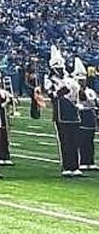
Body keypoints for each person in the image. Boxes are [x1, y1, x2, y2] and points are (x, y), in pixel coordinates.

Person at [44, 47, 82, 177]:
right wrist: (60, 91)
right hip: (60, 113)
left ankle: (75, 166)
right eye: (57, 67)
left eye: (61, 67)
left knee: (75, 140)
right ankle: (67, 166)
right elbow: (51, 94)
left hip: (73, 112)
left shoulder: (69, 78)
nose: (60, 69)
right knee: (65, 141)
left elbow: (77, 91)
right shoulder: (50, 79)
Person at [72, 57, 97, 171]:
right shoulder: (74, 91)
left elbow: (91, 102)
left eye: (83, 80)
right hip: (80, 116)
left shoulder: (90, 91)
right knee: (81, 140)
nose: (82, 82)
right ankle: (82, 161)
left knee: (90, 140)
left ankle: (90, 161)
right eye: (80, 80)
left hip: (89, 116)